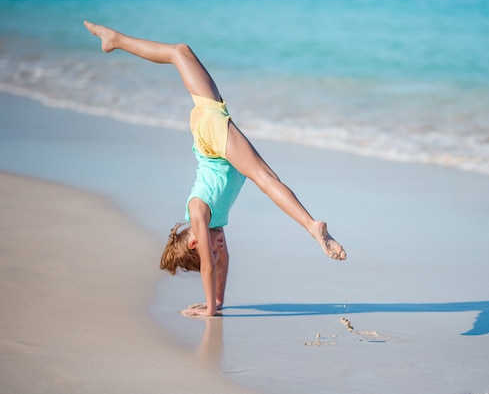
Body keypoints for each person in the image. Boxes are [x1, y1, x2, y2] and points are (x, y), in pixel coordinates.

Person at [84, 21, 347, 317]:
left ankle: (312, 227)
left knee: (263, 178)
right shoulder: (215, 224)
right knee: (179, 51)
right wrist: (219, 302)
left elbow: (209, 265)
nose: (220, 247)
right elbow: (220, 262)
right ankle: (115, 40)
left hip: (210, 138)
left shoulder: (198, 211)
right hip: (211, 134)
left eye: (213, 248)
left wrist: (209, 310)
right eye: (219, 248)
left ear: (195, 241)